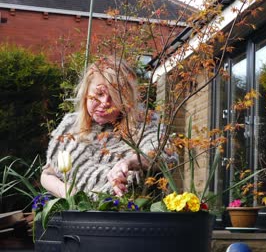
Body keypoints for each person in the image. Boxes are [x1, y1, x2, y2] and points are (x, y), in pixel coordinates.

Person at [41, 56, 174, 198]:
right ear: (86, 92)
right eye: (99, 94)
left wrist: (130, 162)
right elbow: (47, 174)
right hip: (77, 216)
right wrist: (70, 194)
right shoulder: (69, 127)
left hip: (128, 214)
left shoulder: (144, 122)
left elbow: (164, 154)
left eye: (115, 96)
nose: (105, 102)